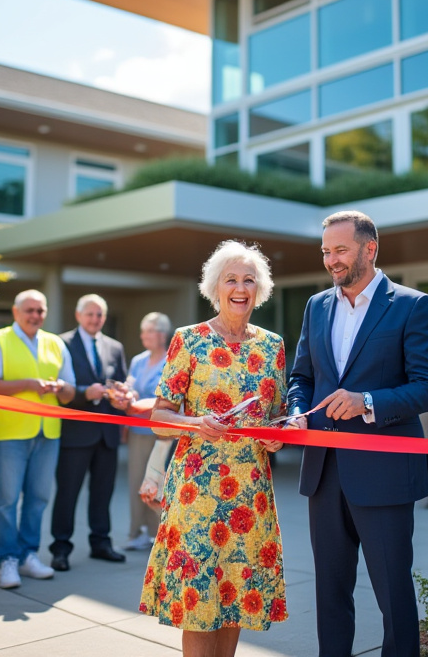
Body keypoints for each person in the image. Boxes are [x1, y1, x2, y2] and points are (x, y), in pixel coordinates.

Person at [286, 210, 428, 657]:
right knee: (330, 592)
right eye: (325, 252)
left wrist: (367, 402)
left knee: (393, 594)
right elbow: (301, 377)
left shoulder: (413, 305)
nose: (331, 260)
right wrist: (298, 411)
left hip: (386, 473)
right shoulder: (316, 306)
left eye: (340, 250)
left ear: (369, 249)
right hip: (324, 470)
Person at [140, 240, 287, 657]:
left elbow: (275, 416)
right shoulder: (189, 340)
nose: (240, 288)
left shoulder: (272, 346)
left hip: (250, 490)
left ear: (259, 289)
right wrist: (194, 422)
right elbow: (159, 419)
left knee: (237, 595)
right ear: (214, 287)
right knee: (200, 599)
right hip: (198, 490)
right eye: (231, 279)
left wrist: (278, 435)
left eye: (248, 279)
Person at [0, 289, 74, 589]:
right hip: (10, 433)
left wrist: (60, 388)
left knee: (38, 499)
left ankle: (29, 555)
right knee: (7, 500)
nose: (35, 315)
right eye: (29, 310)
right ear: (16, 312)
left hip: (48, 433)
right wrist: (30, 384)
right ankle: (7, 559)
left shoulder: (55, 343)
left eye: (40, 310)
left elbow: (71, 392)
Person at [51, 294, 131, 570]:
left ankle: (101, 543)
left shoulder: (114, 347)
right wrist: (86, 393)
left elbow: (121, 383)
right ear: (78, 315)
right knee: (67, 493)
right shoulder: (61, 343)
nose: (95, 319)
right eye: (90, 314)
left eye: (100, 315)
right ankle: (60, 548)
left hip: (107, 434)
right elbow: (58, 388)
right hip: (75, 433)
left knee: (103, 493)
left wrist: (123, 399)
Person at [122, 312, 172, 551]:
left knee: (158, 483)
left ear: (161, 334)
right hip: (136, 430)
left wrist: (137, 403)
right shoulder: (138, 360)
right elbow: (130, 386)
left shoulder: (172, 360)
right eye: (143, 331)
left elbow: (168, 399)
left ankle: (160, 534)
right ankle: (135, 532)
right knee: (135, 482)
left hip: (162, 434)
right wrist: (126, 394)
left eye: (149, 331)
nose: (143, 335)